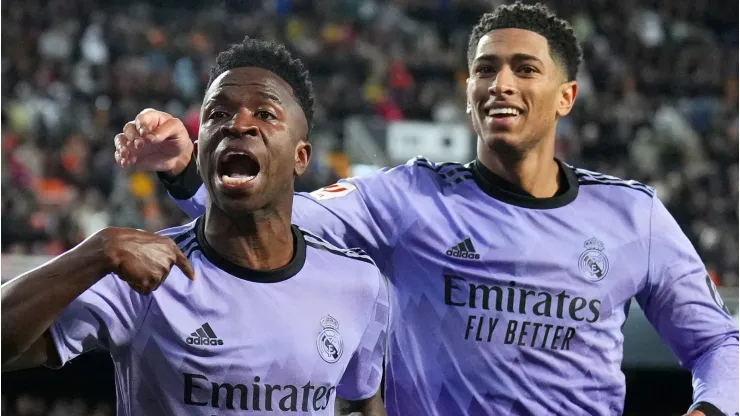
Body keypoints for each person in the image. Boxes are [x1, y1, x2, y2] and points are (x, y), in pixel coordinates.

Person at [114, 3, 738, 415]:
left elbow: (718, 344)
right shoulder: (406, 199)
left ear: (566, 95)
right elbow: (270, 219)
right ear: (468, 94)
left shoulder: (634, 217)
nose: (502, 84)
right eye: (485, 70)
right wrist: (185, 163)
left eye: (525, 69)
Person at [3, 37, 389, 416]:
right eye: (217, 114)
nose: (238, 125)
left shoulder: (356, 282)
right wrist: (96, 251)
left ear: (300, 157)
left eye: (265, 114)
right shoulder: (142, 276)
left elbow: (363, 399)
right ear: (200, 147)